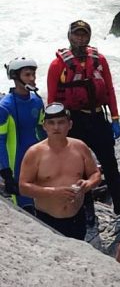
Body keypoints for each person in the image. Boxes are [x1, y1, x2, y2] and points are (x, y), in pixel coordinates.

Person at [46, 20, 120, 220]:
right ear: (69, 36)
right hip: (75, 121)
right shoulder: (57, 65)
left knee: (110, 164)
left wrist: (115, 118)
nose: (80, 38)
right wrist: (55, 126)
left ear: (89, 36)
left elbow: (109, 89)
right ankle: (87, 210)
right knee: (79, 167)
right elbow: (52, 99)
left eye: (84, 34)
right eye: (76, 34)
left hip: (97, 117)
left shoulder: (99, 60)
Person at [18, 103, 101, 240]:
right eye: (51, 123)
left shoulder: (80, 147)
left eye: (61, 122)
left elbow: (95, 174)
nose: (56, 127)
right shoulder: (35, 153)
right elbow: (23, 187)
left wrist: (88, 184)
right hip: (47, 220)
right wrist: (53, 192)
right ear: (44, 126)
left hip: (77, 218)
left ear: (70, 125)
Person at [1, 57, 45, 213]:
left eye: (33, 74)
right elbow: (0, 141)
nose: (32, 78)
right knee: (26, 207)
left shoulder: (37, 101)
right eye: (27, 75)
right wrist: (6, 172)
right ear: (15, 77)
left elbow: (42, 130)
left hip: (37, 158)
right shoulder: (5, 107)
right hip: (16, 162)